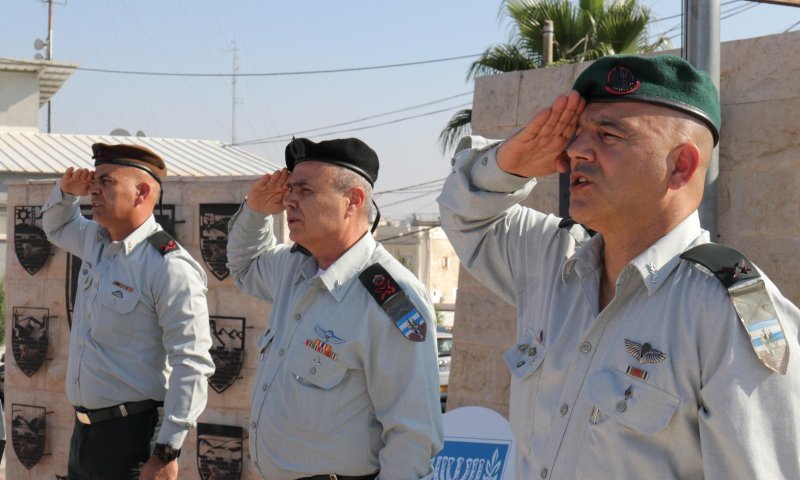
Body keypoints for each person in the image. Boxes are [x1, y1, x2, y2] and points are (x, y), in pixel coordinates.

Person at [437, 54, 800, 479]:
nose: (575, 150)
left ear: (681, 165)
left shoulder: (728, 312)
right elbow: (468, 217)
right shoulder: (553, 260)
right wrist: (507, 165)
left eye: (608, 135)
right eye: (577, 133)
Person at [226, 137, 443, 479]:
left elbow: (412, 434)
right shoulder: (294, 269)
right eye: (290, 190)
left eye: (305, 191)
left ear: (352, 201)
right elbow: (243, 267)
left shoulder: (393, 298)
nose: (288, 200)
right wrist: (255, 211)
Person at [42, 143, 215, 480]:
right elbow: (56, 226)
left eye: (106, 182)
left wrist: (167, 451)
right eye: (94, 180)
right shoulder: (97, 241)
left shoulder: (168, 266)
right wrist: (64, 192)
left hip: (132, 440)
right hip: (84, 436)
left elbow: (191, 361)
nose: (93, 189)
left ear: (142, 192)